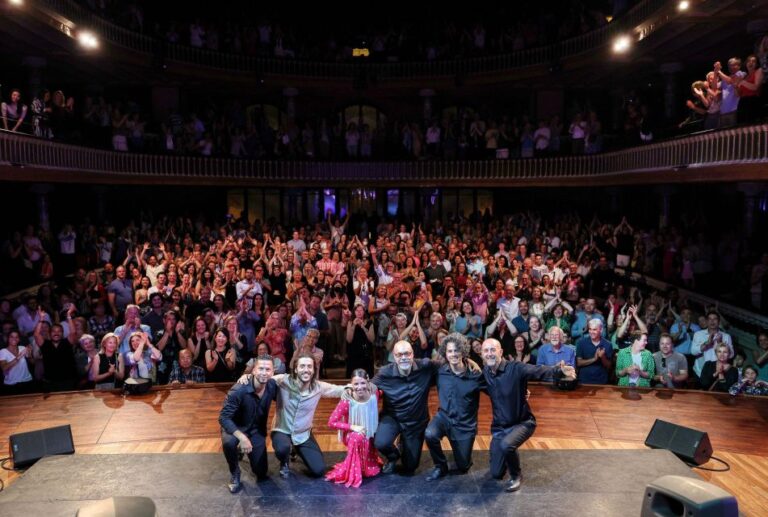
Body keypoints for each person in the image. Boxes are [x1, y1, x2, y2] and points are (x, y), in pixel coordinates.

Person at [481, 338, 575, 492]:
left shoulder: (515, 368)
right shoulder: (485, 374)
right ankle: (507, 451)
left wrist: (559, 371)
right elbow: (471, 376)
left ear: (501, 352)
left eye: (493, 350)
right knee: (496, 473)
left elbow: (537, 370)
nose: (489, 354)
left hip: (522, 422)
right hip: (499, 428)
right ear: (481, 355)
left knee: (507, 445)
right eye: (486, 351)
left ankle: (516, 475)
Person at [238, 352, 348, 479]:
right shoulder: (283, 380)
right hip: (282, 429)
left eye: (309, 366)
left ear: (313, 370)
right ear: (296, 368)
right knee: (282, 448)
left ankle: (296, 449)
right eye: (302, 366)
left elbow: (340, 390)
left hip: (303, 434)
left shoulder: (318, 387)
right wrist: (248, 377)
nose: (306, 370)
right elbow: (263, 377)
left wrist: (362, 386)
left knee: (319, 470)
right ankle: (284, 462)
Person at [424, 333, 483, 481]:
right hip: (444, 418)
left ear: (463, 351)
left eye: (457, 350)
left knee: (463, 466)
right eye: (450, 351)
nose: (453, 354)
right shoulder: (440, 370)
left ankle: (462, 454)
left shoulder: (475, 374)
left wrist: (521, 392)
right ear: (445, 353)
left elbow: (496, 390)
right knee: (430, 434)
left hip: (464, 425)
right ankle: (440, 466)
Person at [219, 354, 277, 493]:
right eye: (260, 368)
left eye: (267, 369)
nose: (264, 373)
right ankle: (235, 472)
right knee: (228, 443)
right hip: (235, 427)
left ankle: (243, 450)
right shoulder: (238, 390)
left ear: (273, 372)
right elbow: (224, 418)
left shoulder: (272, 385)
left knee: (261, 473)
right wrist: (242, 438)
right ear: (254, 370)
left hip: (256, 430)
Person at [325, 368, 382, 488]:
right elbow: (331, 422)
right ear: (351, 384)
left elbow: (383, 391)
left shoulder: (374, 394)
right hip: (353, 434)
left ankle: (367, 463)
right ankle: (355, 469)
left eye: (362, 383)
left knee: (379, 435)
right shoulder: (347, 400)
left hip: (370, 430)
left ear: (368, 382)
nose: (359, 387)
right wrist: (352, 427)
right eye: (355, 384)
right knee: (358, 437)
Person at [690, 311, 733, 379]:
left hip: (718, 372)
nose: (712, 321)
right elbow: (693, 352)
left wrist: (720, 343)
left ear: (718, 322)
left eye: (715, 319)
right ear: (707, 321)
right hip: (700, 371)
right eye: (710, 319)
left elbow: (731, 355)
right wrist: (707, 344)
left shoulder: (726, 336)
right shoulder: (698, 334)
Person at [575, 319, 613, 384]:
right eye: (590, 329)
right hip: (584, 381)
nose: (591, 332)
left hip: (601, 381)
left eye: (594, 329)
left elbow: (609, 366)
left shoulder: (608, 344)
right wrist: (594, 359)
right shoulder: (581, 343)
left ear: (601, 330)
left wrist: (603, 357)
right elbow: (579, 363)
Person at [0, 329, 35, 395]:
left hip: (27, 381)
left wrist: (30, 354)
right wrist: (19, 356)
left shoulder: (22, 348)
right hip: (11, 384)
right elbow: (4, 368)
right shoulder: (3, 351)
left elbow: (33, 363)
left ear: (19, 339)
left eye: (16, 337)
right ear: (8, 338)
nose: (14, 339)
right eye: (12, 337)